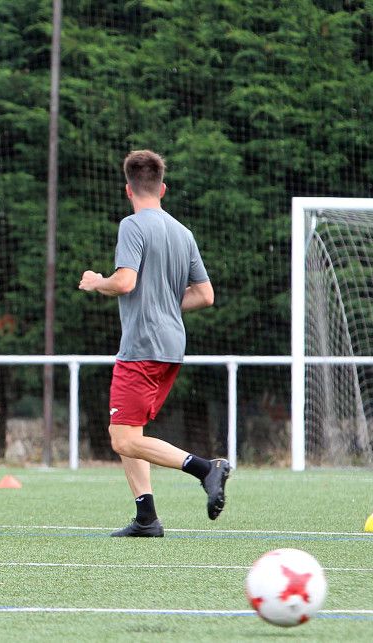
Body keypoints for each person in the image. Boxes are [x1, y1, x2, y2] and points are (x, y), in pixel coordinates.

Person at [77, 149, 230, 537]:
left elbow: (125, 282)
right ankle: (146, 517)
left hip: (142, 346)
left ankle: (205, 468)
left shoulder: (132, 225)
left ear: (128, 190)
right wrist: (164, 305)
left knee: (122, 437)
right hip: (171, 345)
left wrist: (97, 282)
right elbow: (206, 295)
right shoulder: (183, 232)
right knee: (130, 431)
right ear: (162, 188)